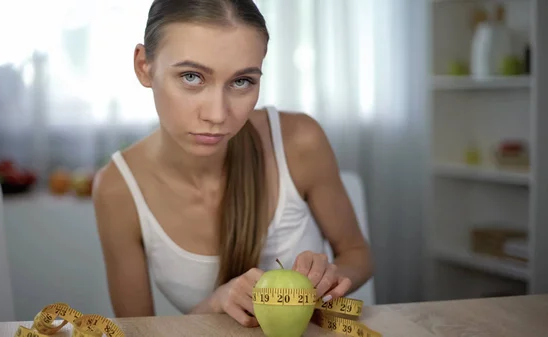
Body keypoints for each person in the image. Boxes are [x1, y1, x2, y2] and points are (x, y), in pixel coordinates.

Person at [92, 0, 373, 328]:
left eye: (241, 82)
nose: (217, 114)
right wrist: (215, 304)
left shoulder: (301, 142)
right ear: (144, 66)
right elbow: (138, 333)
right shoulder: (117, 188)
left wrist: (331, 278)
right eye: (192, 76)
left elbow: (358, 255)